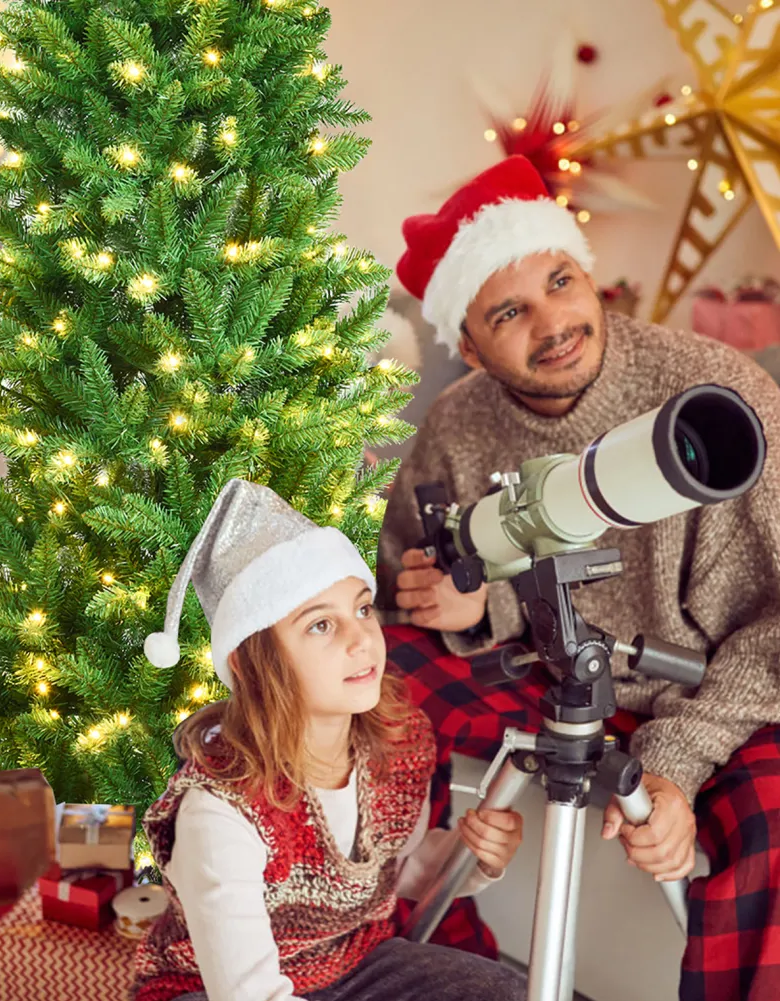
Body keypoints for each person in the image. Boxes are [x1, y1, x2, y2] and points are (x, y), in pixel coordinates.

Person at [377, 154, 780, 1001]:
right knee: (366, 686)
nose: (552, 321)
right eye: (510, 311)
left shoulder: (718, 395)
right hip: (551, 674)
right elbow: (401, 588)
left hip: (725, 686)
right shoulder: (455, 427)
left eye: (561, 281)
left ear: (589, 274)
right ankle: (399, 956)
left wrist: (674, 765)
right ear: (472, 345)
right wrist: (471, 604)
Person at [131, 478, 527, 1001]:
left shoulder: (397, 743)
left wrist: (475, 853)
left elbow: (397, 872)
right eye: (320, 626)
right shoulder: (220, 811)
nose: (361, 637)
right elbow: (249, 992)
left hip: (355, 962)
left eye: (363, 609)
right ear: (250, 665)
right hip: (220, 990)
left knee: (508, 992)